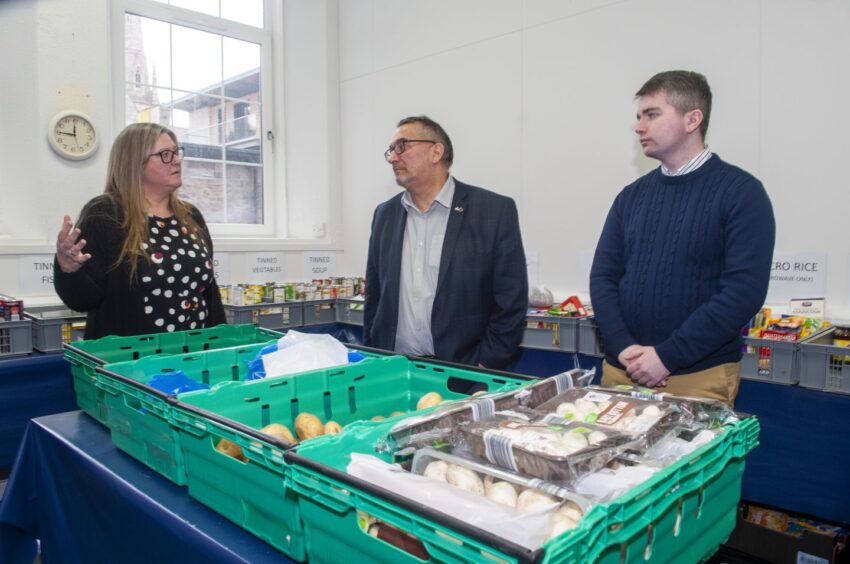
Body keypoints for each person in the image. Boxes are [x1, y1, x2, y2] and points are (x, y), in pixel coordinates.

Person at [589, 71, 775, 405]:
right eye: (638, 116)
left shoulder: (741, 193)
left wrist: (666, 357)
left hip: (697, 378)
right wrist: (624, 347)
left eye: (652, 114)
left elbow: (743, 292)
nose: (639, 126)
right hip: (621, 371)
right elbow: (603, 277)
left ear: (693, 119)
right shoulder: (630, 197)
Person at [364, 116, 527, 370]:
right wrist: (375, 358)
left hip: (465, 374)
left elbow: (511, 301)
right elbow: (374, 297)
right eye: (390, 151)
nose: (393, 158)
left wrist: (485, 365)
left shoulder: (493, 211)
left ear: (435, 151)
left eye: (402, 146)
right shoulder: (384, 215)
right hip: (395, 370)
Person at [54, 122, 226, 339]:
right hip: (131, 362)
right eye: (165, 154)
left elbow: (209, 293)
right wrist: (69, 269)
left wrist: (221, 342)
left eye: (176, 152)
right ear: (135, 163)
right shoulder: (105, 214)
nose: (176, 160)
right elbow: (82, 300)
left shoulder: (190, 216)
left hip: (192, 355)